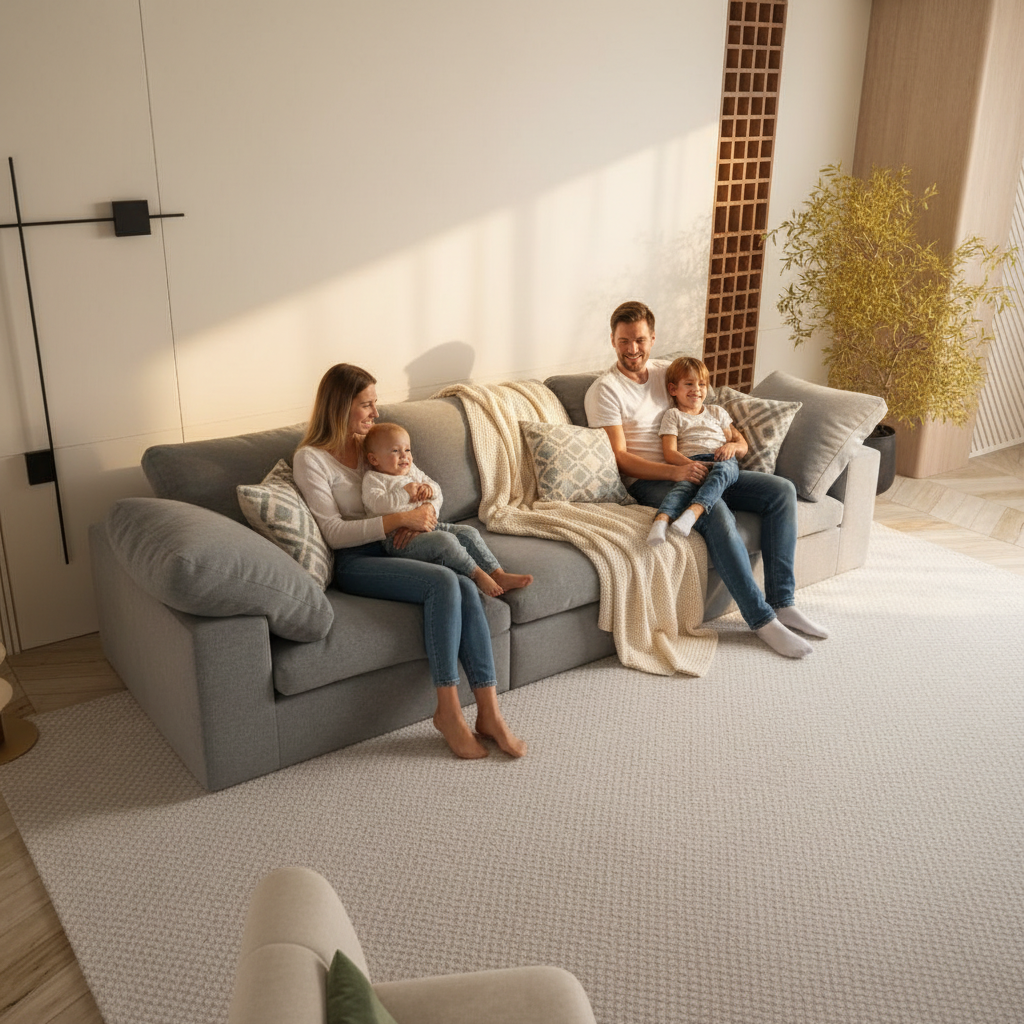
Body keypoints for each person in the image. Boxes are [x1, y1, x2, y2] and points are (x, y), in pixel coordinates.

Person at [292, 363, 526, 759]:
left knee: (466, 583)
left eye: (375, 403)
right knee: (444, 581)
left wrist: (422, 516)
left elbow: (432, 490)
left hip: (403, 543)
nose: (375, 412)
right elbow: (332, 532)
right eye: (366, 404)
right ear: (340, 406)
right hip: (356, 560)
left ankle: (489, 713)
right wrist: (397, 520)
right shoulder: (311, 459)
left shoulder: (380, 443)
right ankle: (448, 711)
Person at [584, 301, 829, 659]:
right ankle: (761, 620)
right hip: (651, 480)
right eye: (623, 341)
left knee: (781, 491)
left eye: (639, 340)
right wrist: (675, 471)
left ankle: (783, 602)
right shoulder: (605, 390)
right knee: (716, 513)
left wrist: (735, 445)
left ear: (653, 338)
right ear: (612, 340)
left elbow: (710, 414)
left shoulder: (667, 373)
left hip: (704, 467)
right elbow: (620, 457)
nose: (632, 349)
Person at [360, 421, 533, 598]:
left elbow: (436, 488)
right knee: (445, 540)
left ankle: (497, 573)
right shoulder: (373, 479)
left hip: (428, 526)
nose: (404, 456)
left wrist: (429, 490)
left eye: (407, 450)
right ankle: (477, 574)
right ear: (374, 459)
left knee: (468, 532)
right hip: (398, 540)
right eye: (395, 451)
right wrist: (405, 493)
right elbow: (377, 504)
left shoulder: (412, 470)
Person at [647, 356, 744, 547]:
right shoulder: (673, 415)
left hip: (720, 460)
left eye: (702, 384)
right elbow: (669, 453)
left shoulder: (716, 412)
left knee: (725, 469)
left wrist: (732, 446)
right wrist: (692, 465)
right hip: (692, 461)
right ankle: (660, 522)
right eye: (689, 384)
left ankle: (693, 512)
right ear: (673, 389)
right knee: (683, 488)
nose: (697, 389)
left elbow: (737, 443)